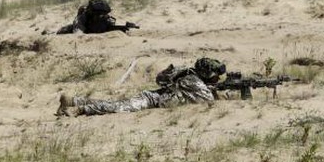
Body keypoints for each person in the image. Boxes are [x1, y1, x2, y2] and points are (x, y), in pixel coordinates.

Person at [56, 58, 226, 116]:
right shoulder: (194, 81)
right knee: (117, 108)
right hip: (151, 100)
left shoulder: (190, 75)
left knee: (115, 104)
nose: (217, 78)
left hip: (153, 97)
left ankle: (75, 101)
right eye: (214, 75)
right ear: (205, 73)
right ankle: (80, 110)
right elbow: (209, 100)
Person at [55, 0, 138, 34]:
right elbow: (78, 34)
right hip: (76, 29)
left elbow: (113, 26)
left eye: (103, 15)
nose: (102, 17)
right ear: (92, 14)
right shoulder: (83, 18)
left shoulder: (105, 19)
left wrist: (125, 27)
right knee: (62, 31)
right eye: (99, 15)